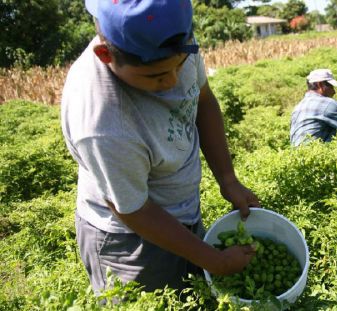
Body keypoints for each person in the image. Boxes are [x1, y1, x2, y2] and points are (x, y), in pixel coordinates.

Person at [60, 0, 260, 295]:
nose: (172, 82)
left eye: (179, 65)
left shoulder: (175, 40)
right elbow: (133, 210)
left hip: (181, 214)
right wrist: (214, 261)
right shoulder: (102, 123)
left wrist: (228, 180)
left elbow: (203, 101)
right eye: (155, 76)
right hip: (131, 240)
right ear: (105, 55)